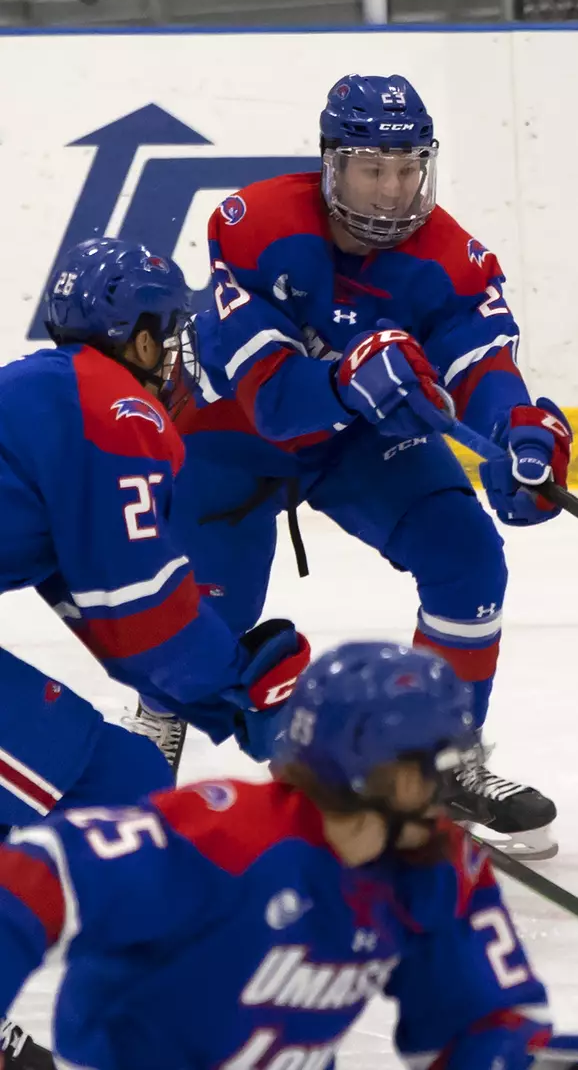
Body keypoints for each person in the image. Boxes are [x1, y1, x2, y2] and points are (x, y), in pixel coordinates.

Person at [160, 73, 572, 858]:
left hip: (357, 441)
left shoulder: (450, 256)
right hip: (229, 439)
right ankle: (161, 713)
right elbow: (274, 402)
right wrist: (348, 378)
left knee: (468, 557)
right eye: (371, 168)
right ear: (330, 165)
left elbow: (481, 365)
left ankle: (441, 762)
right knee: (205, 632)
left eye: (407, 167)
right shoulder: (254, 226)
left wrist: (515, 432)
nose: (391, 190)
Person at [0, 642, 578, 1070]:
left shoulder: (435, 869)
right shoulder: (222, 838)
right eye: (430, 767)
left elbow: (473, 1025)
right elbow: (33, 875)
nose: (448, 790)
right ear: (365, 770)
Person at [0, 237, 312, 1057]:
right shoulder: (113, 406)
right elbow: (137, 608)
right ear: (135, 337)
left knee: (121, 782)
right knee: (39, 777)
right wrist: (244, 690)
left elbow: (107, 610)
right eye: (168, 334)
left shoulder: (54, 396)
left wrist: (229, 696)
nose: (176, 356)